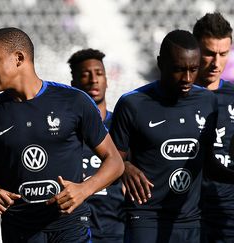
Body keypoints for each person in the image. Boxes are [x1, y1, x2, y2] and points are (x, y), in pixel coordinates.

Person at [0, 27, 124, 243]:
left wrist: (84, 189)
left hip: (69, 227)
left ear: (18, 58)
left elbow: (115, 162)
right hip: (19, 230)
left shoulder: (74, 101)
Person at [110, 29, 234, 243]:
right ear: (161, 63)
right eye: (178, 69)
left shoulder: (207, 101)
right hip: (145, 216)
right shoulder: (132, 103)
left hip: (189, 219)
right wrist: (125, 168)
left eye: (193, 70)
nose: (187, 78)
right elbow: (111, 157)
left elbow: (208, 162)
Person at [68, 48, 124, 242]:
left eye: (99, 73)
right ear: (73, 83)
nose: (94, 79)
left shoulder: (121, 126)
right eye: (85, 74)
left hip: (115, 228)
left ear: (107, 80)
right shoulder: (64, 131)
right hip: (74, 228)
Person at [192, 12, 234, 243]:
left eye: (223, 54)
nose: (216, 63)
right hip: (182, 213)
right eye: (209, 53)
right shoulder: (173, 97)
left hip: (227, 213)